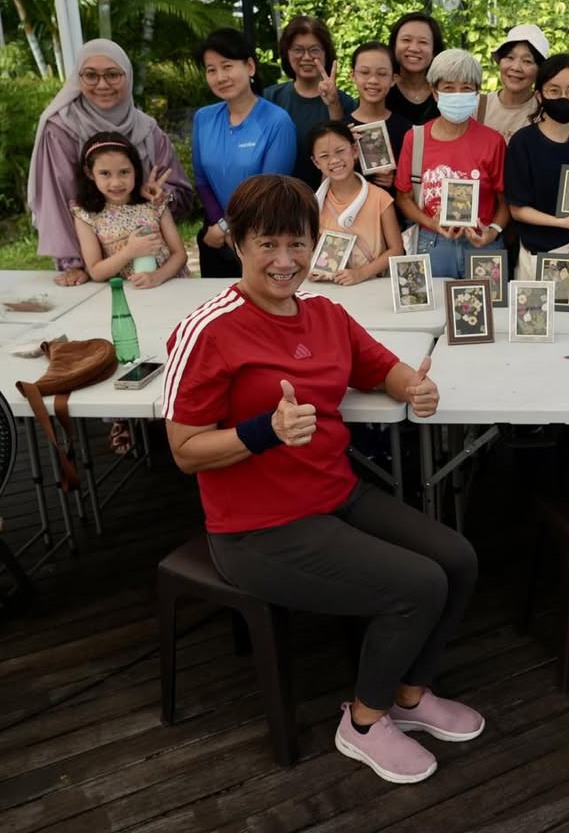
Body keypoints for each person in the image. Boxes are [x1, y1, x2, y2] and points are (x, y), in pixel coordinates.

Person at [162, 174, 482, 786]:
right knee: (417, 585)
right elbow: (184, 451)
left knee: (458, 559)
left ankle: (410, 697)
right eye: (268, 245)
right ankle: (363, 722)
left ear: (316, 243)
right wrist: (265, 431)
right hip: (257, 529)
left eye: (298, 245)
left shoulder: (326, 314)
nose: (286, 262)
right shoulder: (209, 329)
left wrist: (413, 386)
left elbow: (378, 365)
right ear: (239, 244)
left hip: (334, 494)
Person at [28, 38, 193, 286]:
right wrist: (75, 264)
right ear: (77, 78)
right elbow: (58, 200)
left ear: (127, 76)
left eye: (113, 75)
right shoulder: (61, 129)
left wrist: (158, 196)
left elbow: (177, 190)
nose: (102, 84)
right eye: (90, 75)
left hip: (151, 268)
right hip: (94, 269)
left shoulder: (147, 129)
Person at [393, 49, 508, 279]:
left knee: (491, 313)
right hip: (433, 243)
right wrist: (431, 223)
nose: (458, 94)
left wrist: (492, 233)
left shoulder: (493, 141)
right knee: (430, 313)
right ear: (434, 92)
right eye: (448, 88)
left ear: (477, 92)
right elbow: (403, 197)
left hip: (482, 243)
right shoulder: (416, 139)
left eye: (466, 88)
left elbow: (504, 202)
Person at [191, 28, 297, 278]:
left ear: (249, 66)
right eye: (211, 69)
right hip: (214, 239)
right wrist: (219, 225)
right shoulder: (203, 118)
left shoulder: (277, 121)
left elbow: (267, 190)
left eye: (227, 66)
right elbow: (201, 180)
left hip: (262, 239)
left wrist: (229, 227)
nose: (220, 77)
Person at [505, 54, 569, 280]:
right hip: (537, 257)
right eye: (554, 90)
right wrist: (561, 223)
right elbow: (517, 209)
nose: (564, 97)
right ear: (540, 95)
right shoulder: (523, 142)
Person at [72, 131, 188, 286]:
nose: (116, 183)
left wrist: (157, 277)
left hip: (170, 284)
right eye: (105, 173)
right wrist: (129, 252)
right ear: (90, 173)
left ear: (135, 170)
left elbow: (180, 254)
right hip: (127, 293)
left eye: (124, 172)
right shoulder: (86, 214)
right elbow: (95, 272)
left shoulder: (154, 202)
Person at [264, 16, 357, 191]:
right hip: (279, 202)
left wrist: (333, 105)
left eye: (314, 50)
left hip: (331, 202)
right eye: (298, 50)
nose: (306, 57)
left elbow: (350, 156)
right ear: (287, 53)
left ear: (326, 54)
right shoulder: (271, 98)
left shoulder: (344, 102)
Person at [308, 121, 405, 284]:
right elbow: (308, 248)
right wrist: (315, 268)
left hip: (373, 285)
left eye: (340, 151)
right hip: (332, 287)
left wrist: (361, 274)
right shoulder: (314, 204)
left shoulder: (380, 198)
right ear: (316, 162)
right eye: (324, 156)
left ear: (354, 151)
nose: (334, 160)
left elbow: (396, 250)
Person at [347, 42, 413, 198]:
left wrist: (397, 181)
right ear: (352, 76)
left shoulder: (406, 129)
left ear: (393, 79)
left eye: (382, 74)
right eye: (364, 72)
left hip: (395, 217)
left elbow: (417, 182)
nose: (373, 80)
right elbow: (327, 182)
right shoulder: (341, 130)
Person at [478, 24, 550, 142]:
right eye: (510, 57)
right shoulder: (479, 106)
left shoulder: (545, 113)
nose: (516, 68)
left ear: (540, 69)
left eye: (527, 61)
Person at [385, 12, 446, 125]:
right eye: (406, 40)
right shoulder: (382, 89)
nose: (414, 48)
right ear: (394, 46)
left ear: (434, 51)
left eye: (423, 42)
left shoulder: (446, 91)